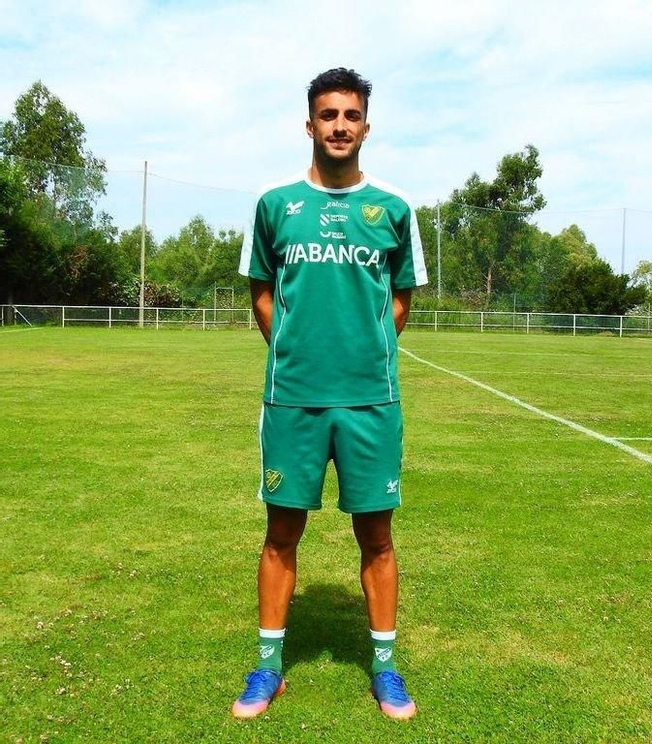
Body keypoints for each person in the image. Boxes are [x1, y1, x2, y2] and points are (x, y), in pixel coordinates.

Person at [231, 67, 428, 721]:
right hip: (293, 399)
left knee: (376, 536)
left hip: (372, 399)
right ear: (309, 123)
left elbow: (400, 299)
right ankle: (266, 670)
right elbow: (261, 290)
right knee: (281, 533)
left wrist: (363, 350)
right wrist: (292, 349)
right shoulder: (273, 204)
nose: (339, 125)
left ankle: (386, 669)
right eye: (328, 114)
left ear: (366, 125)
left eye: (350, 115)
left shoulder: (395, 209)